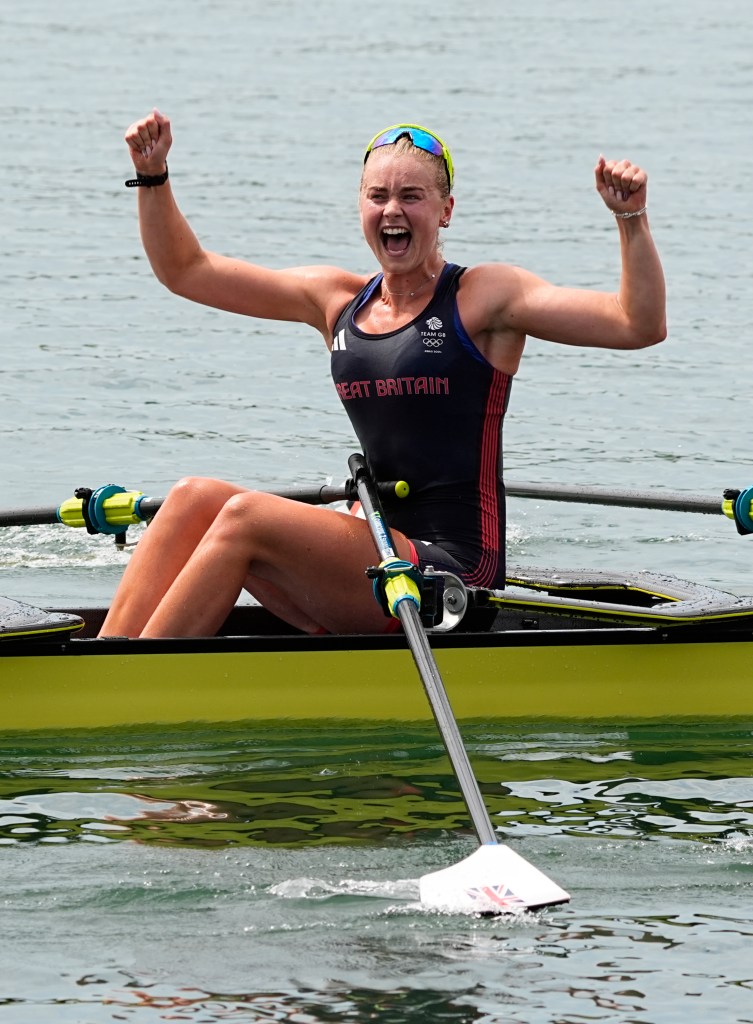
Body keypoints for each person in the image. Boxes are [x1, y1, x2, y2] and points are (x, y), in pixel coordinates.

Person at [100, 112, 666, 639]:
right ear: (361, 207)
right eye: (379, 196)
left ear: (445, 210)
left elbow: (635, 323)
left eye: (411, 196)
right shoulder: (336, 300)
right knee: (192, 497)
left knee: (244, 516)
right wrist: (152, 177)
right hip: (375, 550)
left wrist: (630, 218)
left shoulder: (486, 297)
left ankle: (132, 682)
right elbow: (186, 270)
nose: (392, 210)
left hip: (452, 577)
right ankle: (106, 658)